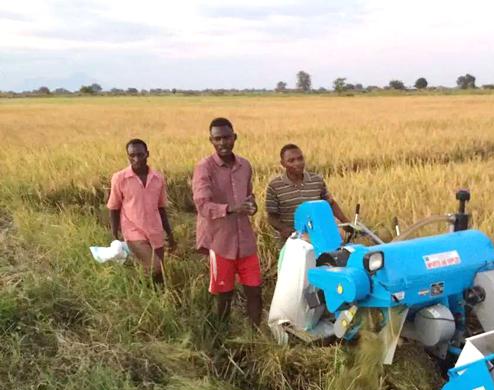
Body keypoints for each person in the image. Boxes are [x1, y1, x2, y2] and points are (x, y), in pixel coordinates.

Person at [192, 117, 262, 327]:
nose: (223, 143)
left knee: (255, 290)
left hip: (246, 241)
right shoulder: (204, 168)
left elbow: (249, 196)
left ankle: (255, 335)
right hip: (220, 242)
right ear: (211, 140)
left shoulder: (244, 165)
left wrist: (252, 206)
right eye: (217, 139)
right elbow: (202, 205)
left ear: (235, 137)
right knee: (224, 294)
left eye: (227, 137)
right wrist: (231, 209)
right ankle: (221, 334)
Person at [107, 138, 175, 284]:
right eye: (132, 155)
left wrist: (169, 233)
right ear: (128, 156)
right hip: (133, 232)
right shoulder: (120, 178)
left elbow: (161, 208)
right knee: (155, 266)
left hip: (155, 231)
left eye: (140, 155)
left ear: (147, 154)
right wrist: (114, 234)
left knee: (159, 271)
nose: (136, 159)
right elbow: (114, 207)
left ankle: (156, 295)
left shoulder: (158, 178)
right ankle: (140, 287)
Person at [266, 143, 349, 242]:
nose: (297, 163)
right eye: (291, 161)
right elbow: (272, 217)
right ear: (283, 163)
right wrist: (285, 229)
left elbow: (330, 203)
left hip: (319, 236)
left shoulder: (316, 180)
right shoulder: (275, 186)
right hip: (291, 240)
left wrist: (346, 222)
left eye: (300, 159)